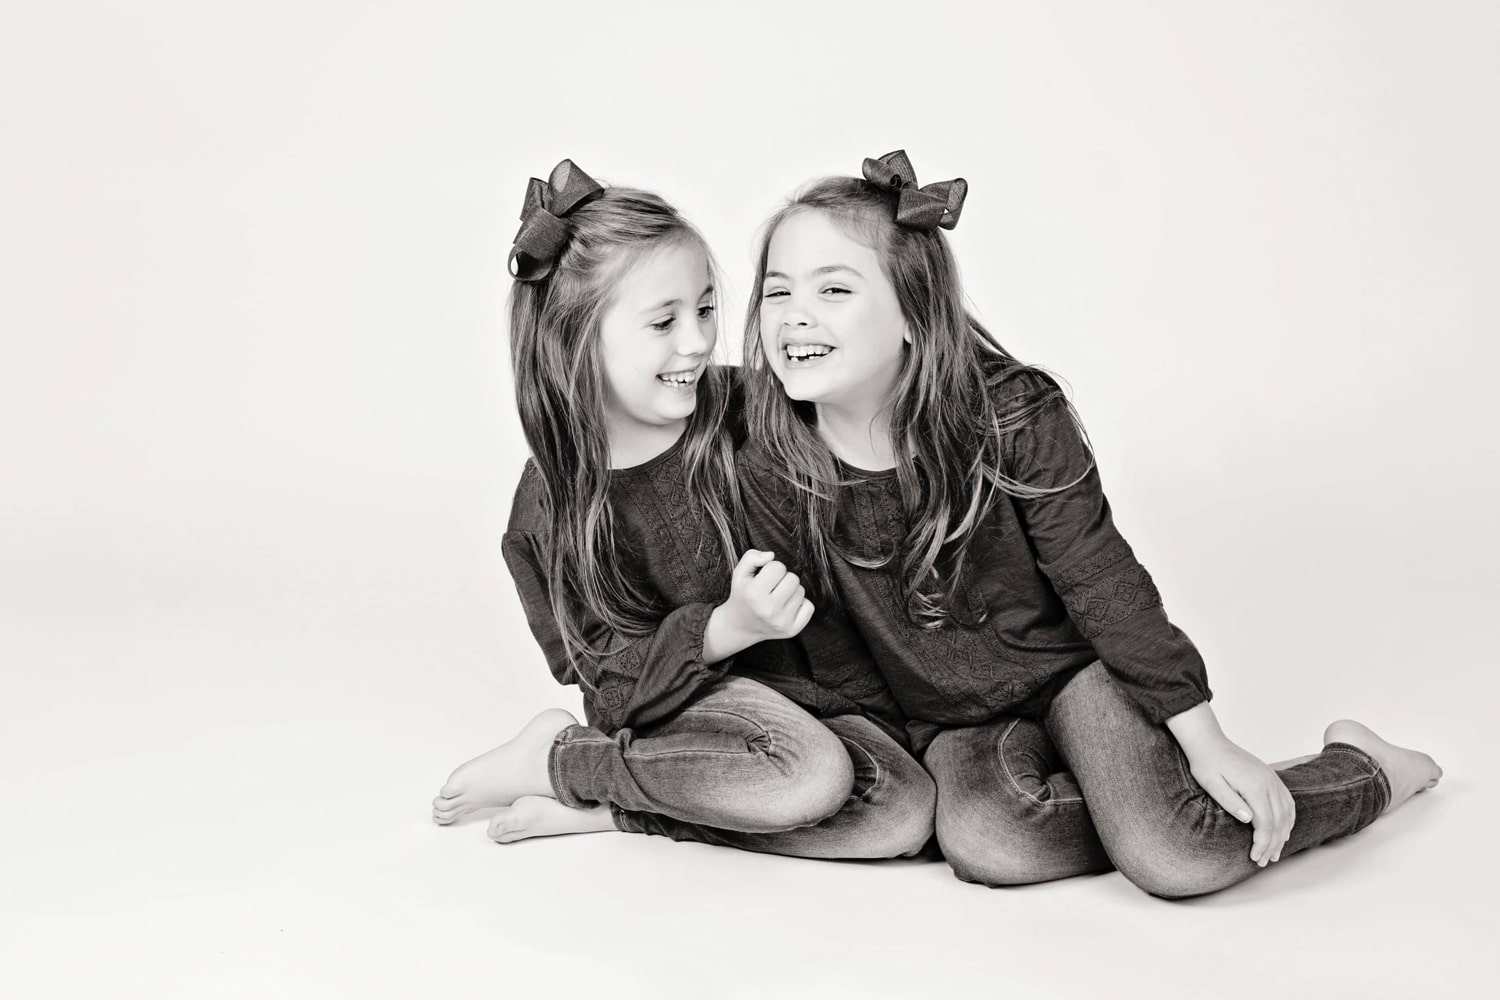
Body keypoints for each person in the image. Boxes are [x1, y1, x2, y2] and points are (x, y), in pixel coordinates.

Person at [736, 149, 1441, 897]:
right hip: (954, 720)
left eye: (834, 289)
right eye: (777, 292)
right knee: (985, 843)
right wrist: (904, 761)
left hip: (1076, 674)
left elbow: (1100, 580)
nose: (795, 315)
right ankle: (1143, 805)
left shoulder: (1012, 416)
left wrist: (1201, 738)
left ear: (914, 315)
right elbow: (834, 645)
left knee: (1176, 858)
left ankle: (1365, 771)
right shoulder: (776, 465)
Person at [431, 159, 933, 859]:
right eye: (663, 322)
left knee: (903, 813)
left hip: (803, 700)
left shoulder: (744, 407)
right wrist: (726, 628)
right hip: (671, 710)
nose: (696, 342)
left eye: (703, 310)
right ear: (575, 341)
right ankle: (562, 760)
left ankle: (628, 806)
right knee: (810, 776)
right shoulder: (555, 505)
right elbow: (610, 685)